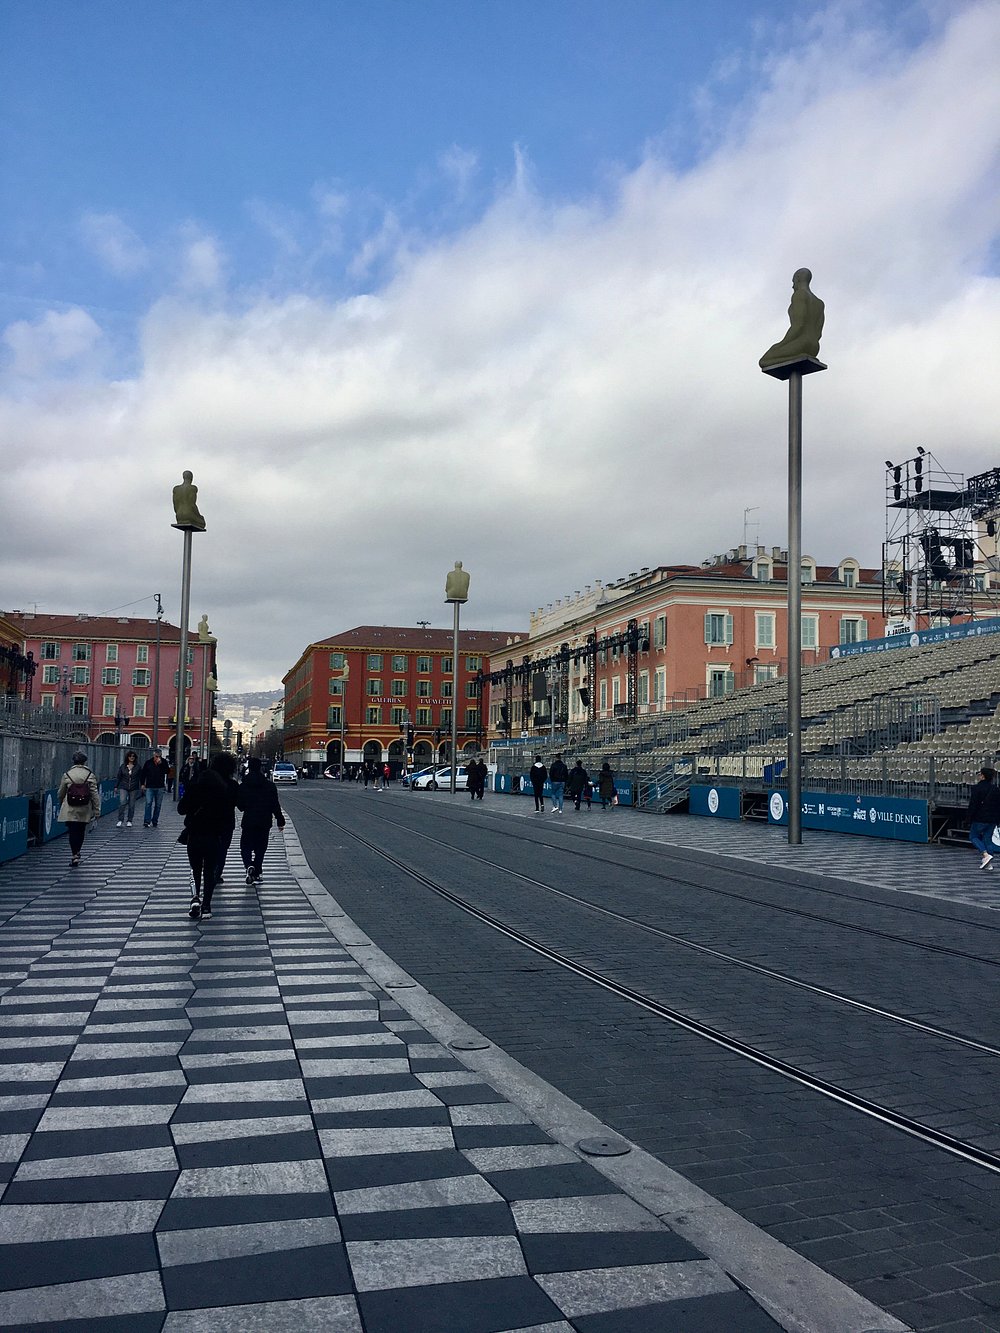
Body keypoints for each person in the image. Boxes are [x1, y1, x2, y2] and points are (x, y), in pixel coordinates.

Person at [178, 757, 239, 920]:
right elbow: (229, 813)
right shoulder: (223, 790)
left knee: (195, 868)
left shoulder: (194, 788)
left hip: (195, 835)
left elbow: (181, 809)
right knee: (210, 871)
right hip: (214, 836)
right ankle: (206, 906)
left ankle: (195, 897)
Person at [239, 757, 286, 885]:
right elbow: (275, 805)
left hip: (248, 821)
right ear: (260, 767)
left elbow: (240, 806)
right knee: (261, 848)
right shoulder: (269, 786)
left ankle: (248, 865)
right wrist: (280, 820)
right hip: (264, 821)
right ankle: (257, 872)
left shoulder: (244, 785)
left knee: (245, 846)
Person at [57, 750, 101, 868]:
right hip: (84, 807)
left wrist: (62, 803)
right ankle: (77, 852)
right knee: (81, 831)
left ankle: (74, 854)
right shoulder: (89, 775)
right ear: (84, 761)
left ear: (74, 761)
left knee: (72, 831)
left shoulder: (67, 774)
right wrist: (97, 810)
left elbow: (61, 792)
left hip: (70, 807)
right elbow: (94, 794)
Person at [210, 752, 241, 886]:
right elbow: (241, 805)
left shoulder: (207, 782)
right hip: (227, 822)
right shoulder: (233, 785)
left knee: (210, 847)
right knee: (223, 849)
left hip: (209, 820)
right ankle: (217, 874)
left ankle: (210, 871)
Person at [967, 766, 1000, 870]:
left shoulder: (977, 788)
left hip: (979, 817)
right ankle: (989, 863)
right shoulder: (995, 789)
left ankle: (985, 855)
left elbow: (973, 805)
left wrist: (969, 818)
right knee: (988, 839)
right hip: (992, 818)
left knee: (973, 837)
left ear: (983, 776)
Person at [140, 750, 167, 827]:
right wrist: (142, 784)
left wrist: (161, 764)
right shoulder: (148, 762)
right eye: (156, 756)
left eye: (159, 756)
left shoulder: (164, 762)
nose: (157, 758)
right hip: (150, 786)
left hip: (160, 786)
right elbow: (143, 773)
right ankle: (147, 821)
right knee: (148, 803)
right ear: (153, 755)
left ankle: (155, 820)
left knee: (158, 805)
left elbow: (167, 771)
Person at [115, 749, 142, 828]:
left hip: (134, 787)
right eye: (130, 756)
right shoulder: (123, 766)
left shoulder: (138, 767)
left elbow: (140, 777)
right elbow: (119, 777)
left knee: (132, 804)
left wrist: (142, 785)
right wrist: (116, 786)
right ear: (127, 757)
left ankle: (129, 820)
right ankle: (120, 820)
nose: (132, 757)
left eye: (133, 756)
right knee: (122, 802)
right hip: (123, 786)